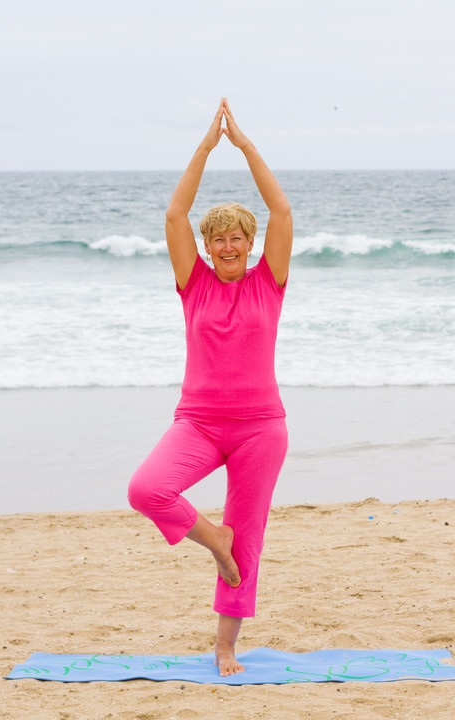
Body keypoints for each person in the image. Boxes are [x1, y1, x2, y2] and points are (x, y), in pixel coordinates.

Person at [128, 97, 293, 676]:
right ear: (208, 245)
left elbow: (282, 210)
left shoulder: (267, 284)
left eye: (237, 238)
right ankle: (212, 539)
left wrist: (244, 146)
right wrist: (204, 146)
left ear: (251, 244)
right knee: (147, 490)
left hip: (260, 429)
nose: (227, 246)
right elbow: (174, 217)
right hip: (197, 422)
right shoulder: (192, 283)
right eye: (218, 238)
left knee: (249, 538)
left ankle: (225, 644)